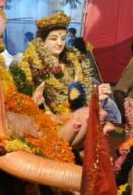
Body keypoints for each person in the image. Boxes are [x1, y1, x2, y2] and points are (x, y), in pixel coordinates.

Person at [14, 12, 113, 147]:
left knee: (103, 120)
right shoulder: (32, 62)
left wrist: (95, 96)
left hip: (76, 112)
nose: (59, 43)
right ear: (42, 41)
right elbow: (23, 102)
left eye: (63, 38)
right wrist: (36, 101)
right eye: (54, 39)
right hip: (49, 120)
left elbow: (81, 93)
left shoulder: (73, 61)